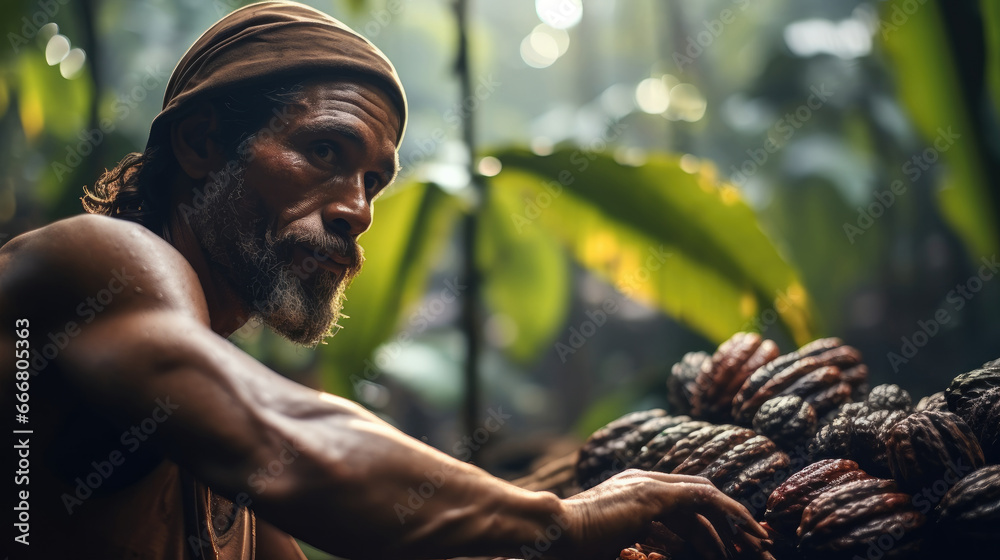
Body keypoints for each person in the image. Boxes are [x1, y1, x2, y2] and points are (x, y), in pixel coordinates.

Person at [0, 2, 772, 559]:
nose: (358, 210)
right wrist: (562, 524)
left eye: (374, 180)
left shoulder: (224, 462)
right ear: (203, 143)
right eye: (326, 152)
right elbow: (291, 439)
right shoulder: (99, 262)